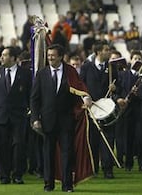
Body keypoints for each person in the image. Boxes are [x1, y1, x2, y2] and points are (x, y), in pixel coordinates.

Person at [31, 44, 93, 192]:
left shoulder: (70, 72)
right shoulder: (42, 73)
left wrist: (86, 97)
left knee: (67, 153)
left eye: (53, 55)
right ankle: (48, 184)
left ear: (60, 56)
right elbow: (34, 99)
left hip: (66, 120)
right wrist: (35, 118)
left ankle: (67, 185)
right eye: (49, 55)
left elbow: (80, 88)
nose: (50, 58)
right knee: (48, 153)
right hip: (47, 121)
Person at [0, 47, 31, 184]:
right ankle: (4, 175)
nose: (1, 57)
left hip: (18, 116)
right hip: (0, 116)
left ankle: (17, 174)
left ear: (13, 58)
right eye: (1, 55)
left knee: (19, 145)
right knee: (1, 147)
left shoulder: (25, 74)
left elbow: (29, 94)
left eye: (5, 55)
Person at [80, 41, 117, 178]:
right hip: (92, 109)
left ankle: (108, 169)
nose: (109, 52)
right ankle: (93, 168)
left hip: (107, 109)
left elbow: (117, 85)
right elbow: (81, 85)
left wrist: (115, 89)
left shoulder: (112, 67)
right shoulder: (86, 67)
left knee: (108, 139)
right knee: (93, 140)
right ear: (98, 52)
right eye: (106, 50)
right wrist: (85, 98)